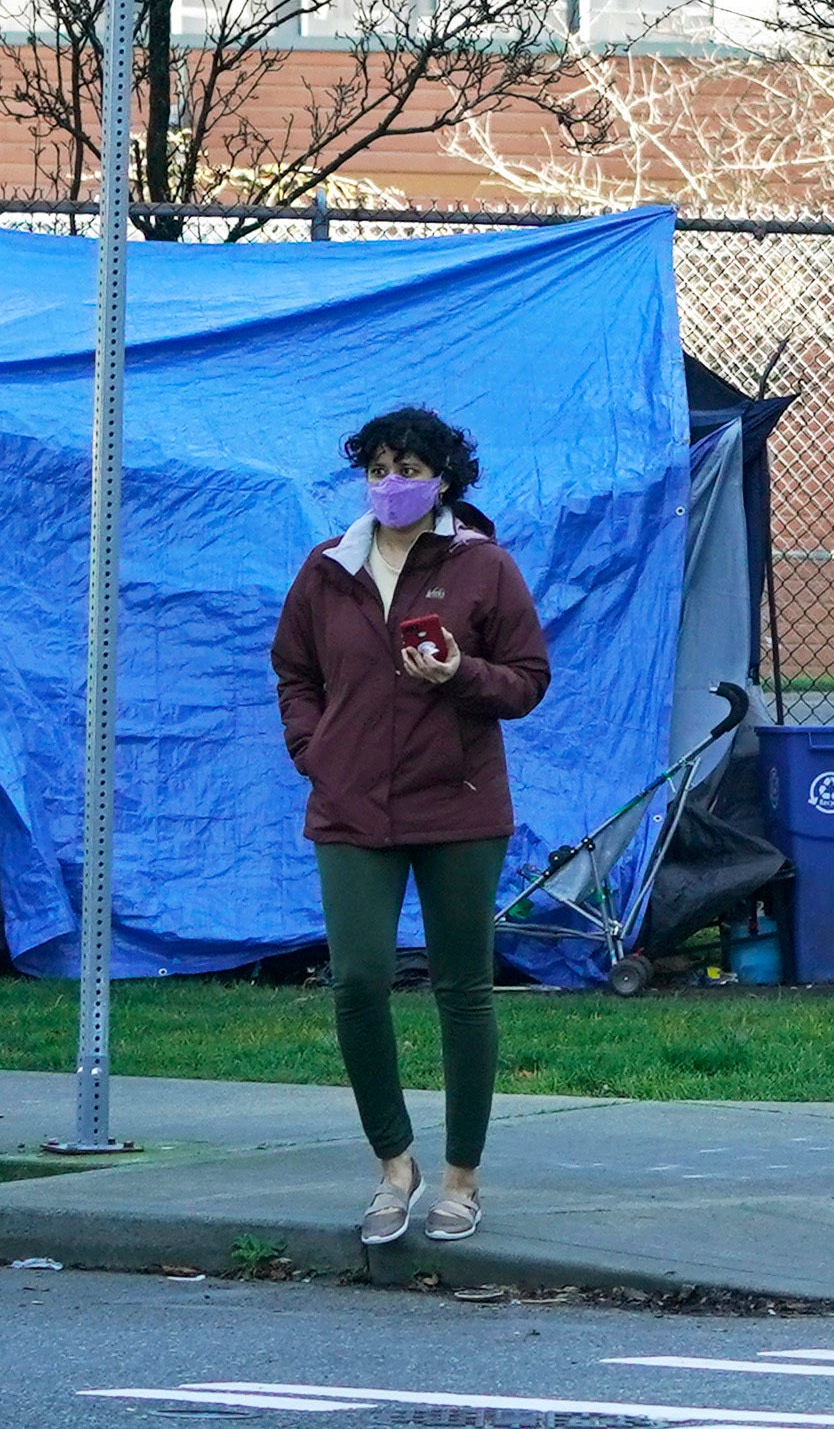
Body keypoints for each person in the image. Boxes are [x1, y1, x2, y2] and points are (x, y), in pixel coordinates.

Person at [269, 405, 548, 1249]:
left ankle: (461, 1178)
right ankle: (395, 1165)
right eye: (378, 467)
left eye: (408, 468)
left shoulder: (483, 566)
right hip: (352, 803)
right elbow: (293, 669)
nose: (391, 483)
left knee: (463, 988)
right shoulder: (327, 567)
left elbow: (529, 679)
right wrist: (314, 749)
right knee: (357, 979)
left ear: (444, 479)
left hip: (458, 803)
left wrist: (461, 672)